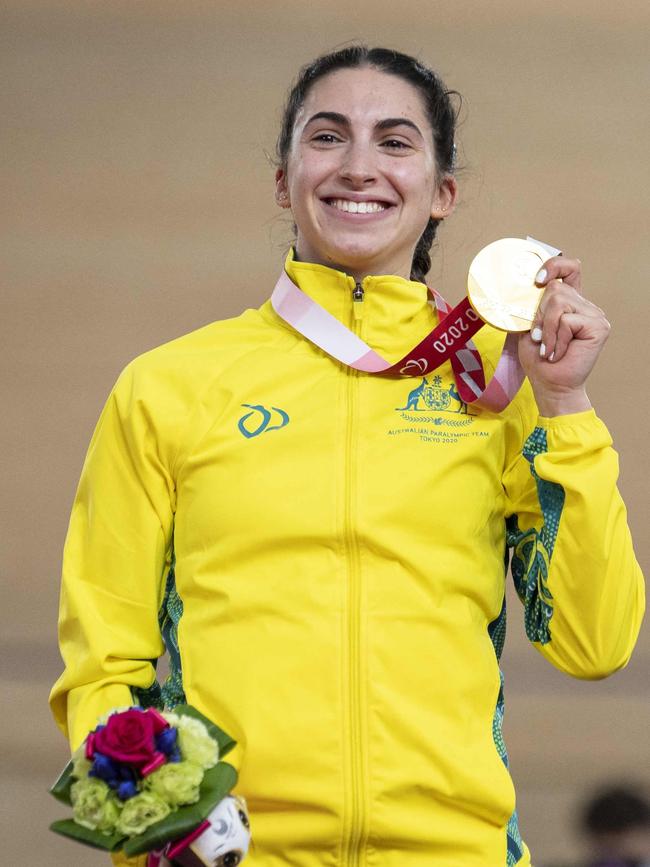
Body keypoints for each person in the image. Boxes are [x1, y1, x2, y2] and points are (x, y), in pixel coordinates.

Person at [49, 45, 645, 866]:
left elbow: (596, 640)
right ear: (283, 177)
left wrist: (566, 404)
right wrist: (151, 825)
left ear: (442, 194)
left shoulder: (495, 393)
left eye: (395, 142)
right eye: (327, 138)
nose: (359, 166)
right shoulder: (169, 386)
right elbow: (103, 658)